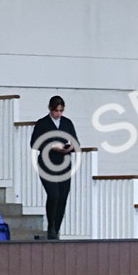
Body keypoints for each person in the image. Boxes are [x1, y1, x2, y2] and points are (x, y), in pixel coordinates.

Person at [29, 95, 79, 240]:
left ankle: (56, 229)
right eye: (56, 111)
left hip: (64, 164)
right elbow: (34, 143)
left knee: (63, 196)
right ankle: (51, 226)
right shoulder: (42, 123)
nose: (58, 114)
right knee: (53, 194)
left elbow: (76, 142)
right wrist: (51, 146)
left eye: (61, 111)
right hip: (47, 163)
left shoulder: (67, 123)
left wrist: (69, 149)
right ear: (50, 109)